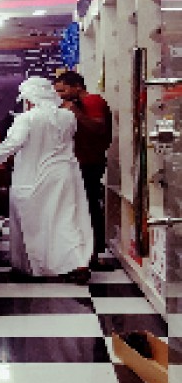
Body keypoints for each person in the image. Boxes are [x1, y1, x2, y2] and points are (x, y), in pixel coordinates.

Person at [0, 76, 93, 283]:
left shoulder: (27, 119)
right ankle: (77, 263)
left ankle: (35, 267)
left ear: (30, 98)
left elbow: (12, 144)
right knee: (66, 220)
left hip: (34, 177)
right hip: (64, 174)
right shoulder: (67, 117)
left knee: (35, 224)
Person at [53, 71, 113, 270]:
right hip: (80, 162)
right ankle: (86, 252)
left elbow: (98, 128)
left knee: (89, 207)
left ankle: (94, 253)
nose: (60, 95)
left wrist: (75, 113)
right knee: (82, 207)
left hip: (90, 162)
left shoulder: (93, 101)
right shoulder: (76, 104)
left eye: (63, 90)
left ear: (77, 86)